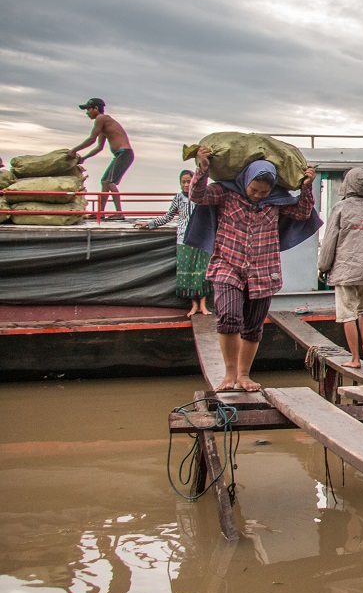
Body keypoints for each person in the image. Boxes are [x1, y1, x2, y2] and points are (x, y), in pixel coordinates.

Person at [186, 147, 319, 391]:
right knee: (228, 317)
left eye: (263, 192)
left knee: (253, 326)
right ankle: (229, 375)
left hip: (264, 270)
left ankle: (244, 375)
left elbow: (302, 212)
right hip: (227, 264)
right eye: (254, 190)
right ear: (245, 181)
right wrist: (202, 169)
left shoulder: (275, 201)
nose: (258, 195)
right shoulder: (226, 193)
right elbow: (198, 196)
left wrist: (307, 186)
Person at [317, 167, 363, 368]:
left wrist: (323, 266)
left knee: (347, 314)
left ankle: (355, 358)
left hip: (345, 269)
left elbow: (330, 240)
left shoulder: (340, 208)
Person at [135, 170, 213, 317]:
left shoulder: (203, 197)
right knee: (187, 272)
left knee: (203, 271)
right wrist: (150, 223)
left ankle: (203, 304)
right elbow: (168, 216)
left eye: (188, 181)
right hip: (183, 238)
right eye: (183, 182)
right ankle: (194, 305)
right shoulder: (178, 198)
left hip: (201, 238)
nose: (185, 184)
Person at [68, 98, 134, 221]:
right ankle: (101, 212)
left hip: (124, 153)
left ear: (96, 108)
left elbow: (91, 139)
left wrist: (74, 150)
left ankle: (119, 213)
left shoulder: (101, 118)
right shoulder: (104, 125)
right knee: (104, 181)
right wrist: (84, 158)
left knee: (110, 182)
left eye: (88, 109)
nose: (87, 113)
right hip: (121, 154)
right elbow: (99, 147)